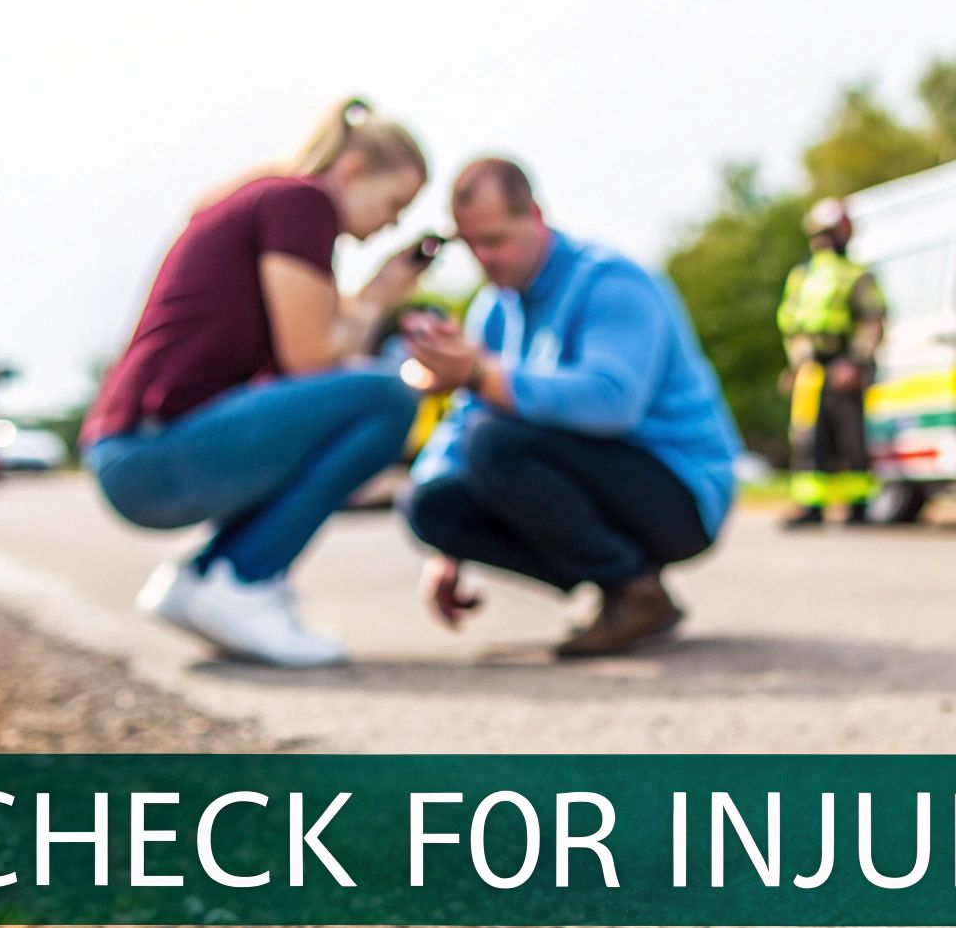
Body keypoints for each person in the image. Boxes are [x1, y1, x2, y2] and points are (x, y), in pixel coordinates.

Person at [80, 98, 432, 667]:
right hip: (148, 453)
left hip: (135, 451)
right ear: (353, 169)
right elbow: (312, 361)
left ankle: (205, 579)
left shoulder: (269, 200)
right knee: (389, 395)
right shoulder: (303, 202)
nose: (393, 223)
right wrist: (373, 301)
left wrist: (372, 298)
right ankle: (243, 579)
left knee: (364, 400)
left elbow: (309, 373)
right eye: (395, 203)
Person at [401, 158, 741, 657]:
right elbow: (463, 420)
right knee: (429, 504)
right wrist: (449, 551)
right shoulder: (493, 310)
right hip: (587, 481)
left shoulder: (611, 283)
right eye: (471, 245)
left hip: (676, 489)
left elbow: (613, 402)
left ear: (534, 216)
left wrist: (481, 374)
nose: (484, 259)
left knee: (495, 440)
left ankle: (632, 588)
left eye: (495, 240)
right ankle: (628, 587)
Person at [776, 197, 886, 527]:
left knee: (851, 438)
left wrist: (855, 362)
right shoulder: (801, 276)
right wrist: (797, 365)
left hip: (845, 365)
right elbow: (791, 324)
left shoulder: (857, 275)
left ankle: (858, 506)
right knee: (808, 437)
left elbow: (872, 322)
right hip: (811, 367)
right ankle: (811, 506)